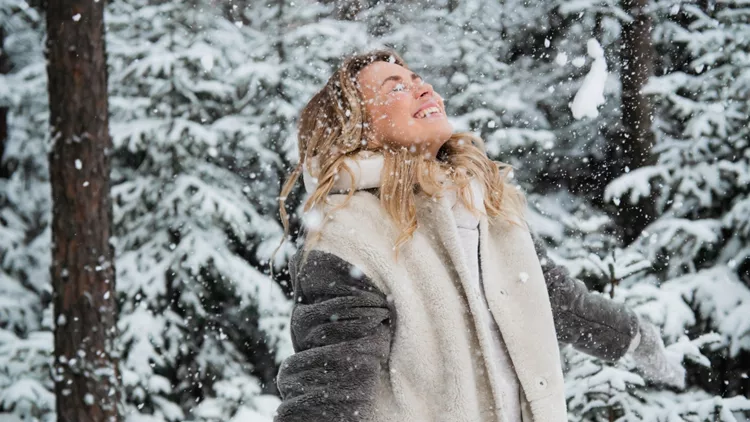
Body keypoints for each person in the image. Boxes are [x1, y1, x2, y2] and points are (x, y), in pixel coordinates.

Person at [272, 49, 686, 422]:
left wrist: (640, 341)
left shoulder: (484, 207)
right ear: (360, 128)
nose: (422, 88)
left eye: (418, 78)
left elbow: (561, 303)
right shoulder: (349, 237)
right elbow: (328, 391)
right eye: (395, 86)